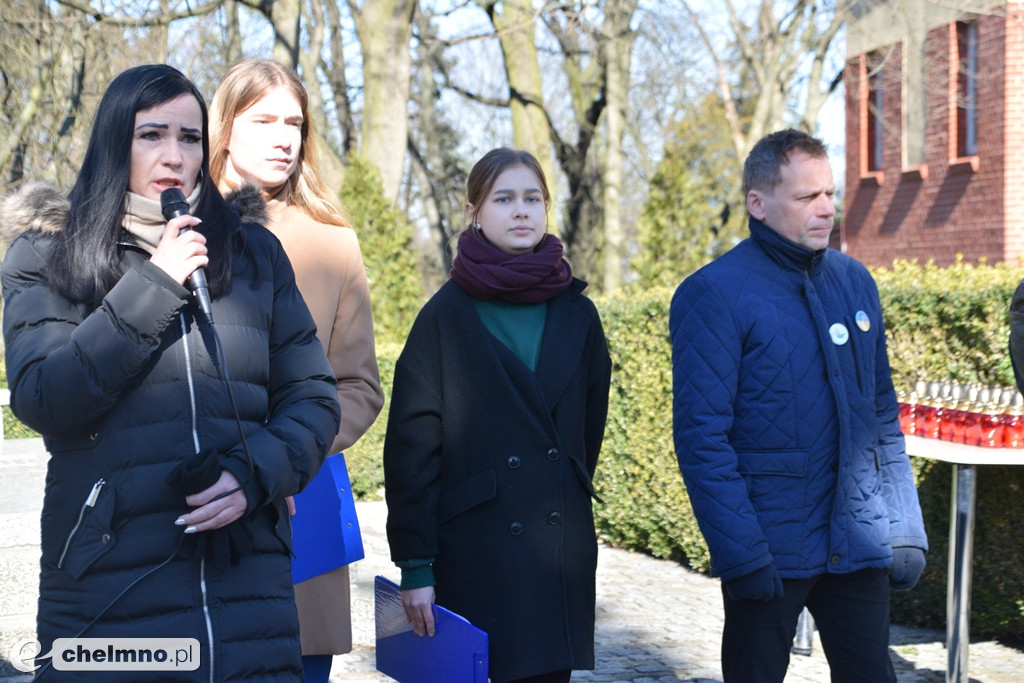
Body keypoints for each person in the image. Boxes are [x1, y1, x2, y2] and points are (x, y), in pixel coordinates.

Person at [0, 64, 340, 681]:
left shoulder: (253, 252)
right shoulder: (46, 253)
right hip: (110, 587)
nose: (174, 155)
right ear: (114, 142)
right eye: (151, 135)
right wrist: (155, 284)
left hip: (245, 588)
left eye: (189, 137)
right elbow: (44, 398)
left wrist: (254, 472)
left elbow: (314, 397)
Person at [669, 129, 929, 682]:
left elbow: (882, 418)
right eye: (808, 196)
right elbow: (701, 439)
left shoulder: (855, 282)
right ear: (758, 204)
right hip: (769, 549)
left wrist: (904, 527)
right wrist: (741, 553)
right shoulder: (712, 293)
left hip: (858, 540)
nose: (827, 208)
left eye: (830, 193)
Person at [383, 148, 611, 683]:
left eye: (533, 198)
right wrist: (415, 566)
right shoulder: (443, 317)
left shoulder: (579, 313)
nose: (521, 210)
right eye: (504, 199)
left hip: (556, 552)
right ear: (474, 212)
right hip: (474, 555)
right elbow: (411, 453)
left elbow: (587, 432)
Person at [209, 58, 384, 683]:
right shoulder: (168, 225)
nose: (284, 137)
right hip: (189, 495)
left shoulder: (333, 241)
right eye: (264, 121)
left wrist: (287, 451)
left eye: (295, 123)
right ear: (225, 127)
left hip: (299, 499)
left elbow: (359, 385)